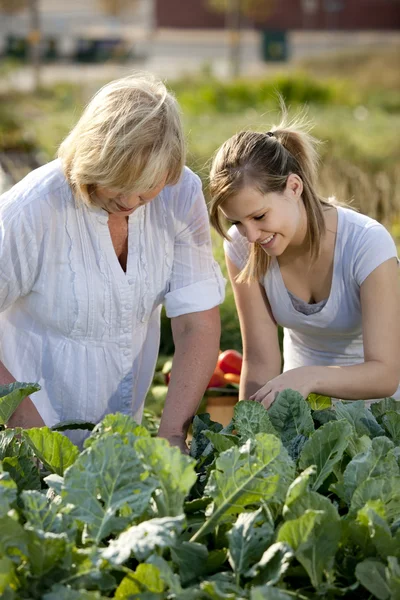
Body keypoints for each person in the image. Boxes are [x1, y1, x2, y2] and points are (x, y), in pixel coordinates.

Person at [0, 73, 225, 450]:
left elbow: (195, 325)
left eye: (147, 188)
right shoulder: (31, 211)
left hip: (122, 437)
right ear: (94, 160)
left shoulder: (179, 193)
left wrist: (171, 435)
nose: (132, 201)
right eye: (120, 183)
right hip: (23, 439)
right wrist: (25, 426)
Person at [208, 116, 400, 409]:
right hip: (302, 418)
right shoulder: (241, 246)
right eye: (237, 221)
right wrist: (250, 436)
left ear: (294, 187)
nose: (251, 235)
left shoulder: (367, 243)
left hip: (383, 420)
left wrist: (310, 377)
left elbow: (385, 375)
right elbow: (260, 361)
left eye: (259, 216)